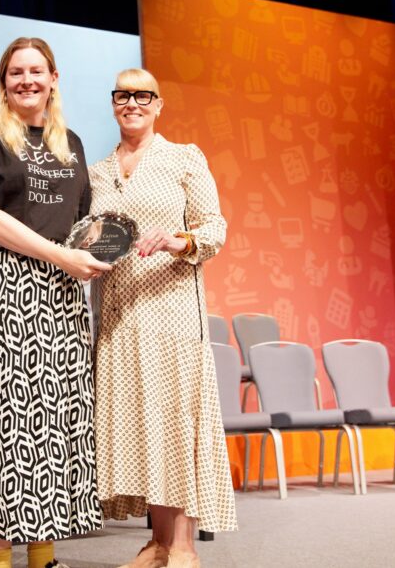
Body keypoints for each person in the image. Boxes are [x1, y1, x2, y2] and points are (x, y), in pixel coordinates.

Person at [0, 37, 111, 568]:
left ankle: (43, 557)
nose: (26, 80)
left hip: (59, 297)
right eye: (15, 72)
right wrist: (62, 259)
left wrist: (103, 249)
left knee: (52, 424)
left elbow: (83, 224)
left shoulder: (73, 144)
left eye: (36, 71)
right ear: (4, 81)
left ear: (54, 77)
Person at [89, 69, 236, 568]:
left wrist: (179, 241)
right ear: (113, 104)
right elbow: (89, 237)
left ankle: (184, 546)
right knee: (142, 425)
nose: (132, 102)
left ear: (158, 104)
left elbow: (214, 228)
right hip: (119, 313)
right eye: (123, 95)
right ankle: (156, 541)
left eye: (142, 95)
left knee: (176, 422)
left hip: (172, 310)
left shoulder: (183, 157)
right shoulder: (98, 170)